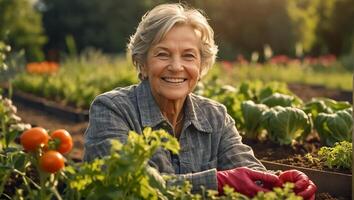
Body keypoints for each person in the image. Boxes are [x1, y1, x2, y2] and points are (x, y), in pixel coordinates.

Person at [83, 3, 317, 199]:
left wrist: (281, 182)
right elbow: (126, 186)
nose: (176, 67)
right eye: (162, 54)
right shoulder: (112, 109)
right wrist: (216, 182)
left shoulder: (215, 116)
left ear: (201, 66)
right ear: (142, 63)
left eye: (188, 56)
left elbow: (247, 169)